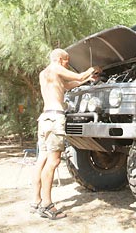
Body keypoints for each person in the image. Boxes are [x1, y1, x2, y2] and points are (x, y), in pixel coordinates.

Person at [31, 48, 100, 220]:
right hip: (55, 118)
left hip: (45, 118)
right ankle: (47, 204)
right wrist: (93, 69)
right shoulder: (55, 67)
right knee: (53, 162)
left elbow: (66, 85)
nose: (67, 64)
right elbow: (76, 76)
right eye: (67, 61)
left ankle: (36, 200)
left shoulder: (44, 73)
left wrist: (86, 80)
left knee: (42, 160)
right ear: (60, 59)